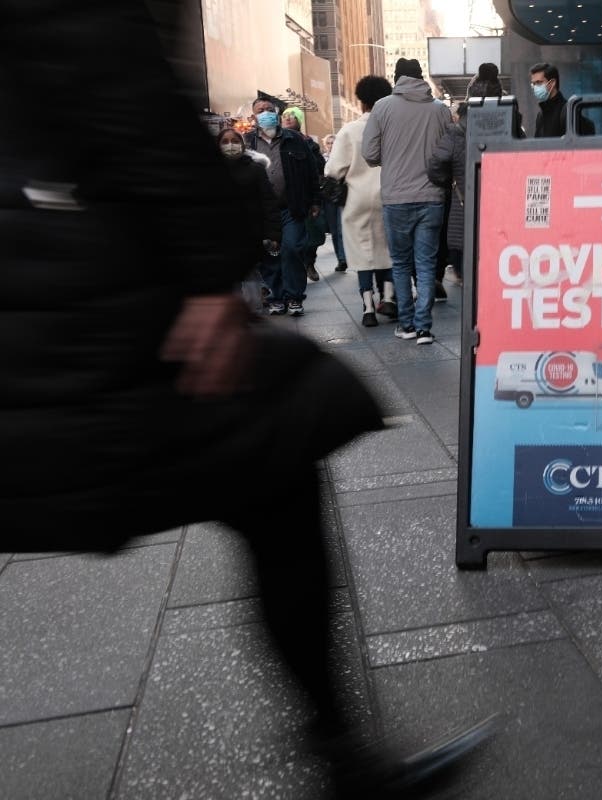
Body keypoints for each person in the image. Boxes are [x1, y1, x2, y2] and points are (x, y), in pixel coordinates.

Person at [0, 0, 494, 793]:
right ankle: (340, 752)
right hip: (73, 316)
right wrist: (209, 261)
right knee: (278, 461)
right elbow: (116, 88)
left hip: (47, 296)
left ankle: (340, 748)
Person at [362, 57, 453, 345]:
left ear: (397, 78)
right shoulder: (440, 110)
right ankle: (424, 328)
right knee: (425, 264)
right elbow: (448, 151)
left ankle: (407, 323)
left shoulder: (383, 107)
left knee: (401, 263)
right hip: (432, 196)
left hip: (396, 197)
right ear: (421, 77)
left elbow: (370, 153)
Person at [326, 75, 396, 327]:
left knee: (361, 254)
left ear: (361, 101)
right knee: (387, 249)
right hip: (389, 195)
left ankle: (368, 308)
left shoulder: (349, 131)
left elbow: (333, 170)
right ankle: (389, 298)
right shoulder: (392, 128)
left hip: (356, 199)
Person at [244, 97, 321, 316]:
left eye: (269, 109)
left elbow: (311, 172)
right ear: (254, 116)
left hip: (292, 207)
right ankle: (276, 297)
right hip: (263, 212)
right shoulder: (248, 142)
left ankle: (294, 297)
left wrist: (315, 200)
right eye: (261, 110)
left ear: (277, 114)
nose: (266, 113)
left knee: (292, 248)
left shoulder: (295, 139)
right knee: (269, 254)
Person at [428, 66, 502, 289]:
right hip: (499, 205)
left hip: (463, 204)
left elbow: (435, 164)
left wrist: (448, 181)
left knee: (465, 260)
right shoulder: (508, 124)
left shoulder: (456, 131)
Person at [217, 127, 281, 314]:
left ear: (243, 144)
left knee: (250, 274)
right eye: (225, 142)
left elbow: (269, 202)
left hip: (251, 234)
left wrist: (274, 234)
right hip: (222, 236)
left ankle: (254, 311)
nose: (230, 145)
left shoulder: (255, 169)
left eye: (235, 141)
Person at [282, 106, 327, 283]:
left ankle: (309, 262)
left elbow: (319, 168)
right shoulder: (276, 142)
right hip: (286, 199)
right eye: (285, 116)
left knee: (314, 234)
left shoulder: (309, 143)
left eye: (292, 116)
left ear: (299, 120)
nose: (288, 119)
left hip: (306, 197)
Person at [530, 62, 594, 137]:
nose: (535, 87)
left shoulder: (568, 111)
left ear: (552, 83)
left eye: (539, 82)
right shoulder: (540, 115)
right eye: (533, 84)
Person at [321, 133, 348, 273]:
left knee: (343, 228)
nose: (331, 145)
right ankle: (341, 259)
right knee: (335, 231)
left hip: (344, 195)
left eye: (334, 142)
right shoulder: (322, 159)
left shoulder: (344, 157)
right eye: (329, 143)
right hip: (329, 198)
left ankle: (345, 257)